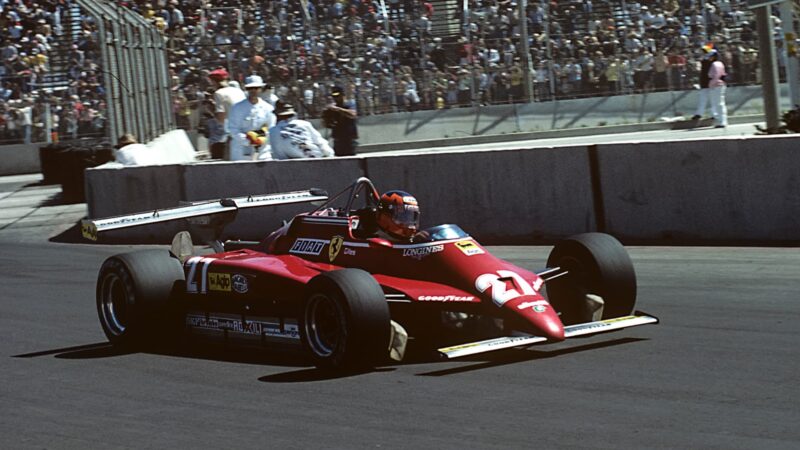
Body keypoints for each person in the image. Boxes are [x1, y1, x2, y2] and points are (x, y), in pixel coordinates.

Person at [228, 75, 275, 161]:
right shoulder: (237, 108)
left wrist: (260, 138)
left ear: (261, 89)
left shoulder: (268, 108)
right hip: (241, 151)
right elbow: (233, 129)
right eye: (250, 88)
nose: (253, 91)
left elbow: (271, 127)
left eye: (256, 88)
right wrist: (249, 140)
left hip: (262, 152)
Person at [267, 101, 333, 160]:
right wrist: (330, 157)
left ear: (277, 115)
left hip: (297, 164)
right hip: (319, 158)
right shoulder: (305, 124)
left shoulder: (273, 131)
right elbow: (321, 143)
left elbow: (280, 156)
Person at [209, 68, 244, 158]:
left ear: (213, 81)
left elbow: (221, 118)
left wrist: (211, 109)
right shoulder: (238, 90)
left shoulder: (218, 93)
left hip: (231, 129)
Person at [322, 85, 358, 156]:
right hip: (338, 139)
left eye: (337, 96)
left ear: (343, 95)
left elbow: (353, 114)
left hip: (349, 139)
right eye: (334, 96)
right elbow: (327, 124)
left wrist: (338, 109)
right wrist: (325, 116)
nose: (336, 98)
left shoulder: (349, 104)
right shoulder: (332, 108)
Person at [692, 44, 715, 121]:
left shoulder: (711, 59)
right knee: (702, 99)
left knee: (713, 99)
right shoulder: (703, 60)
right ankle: (699, 114)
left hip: (711, 81)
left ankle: (714, 113)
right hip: (704, 81)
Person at [707, 49, 728, 128]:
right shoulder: (720, 63)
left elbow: (716, 75)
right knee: (718, 103)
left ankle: (722, 121)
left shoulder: (715, 64)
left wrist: (711, 84)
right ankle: (721, 120)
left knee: (718, 103)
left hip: (716, 85)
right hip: (719, 84)